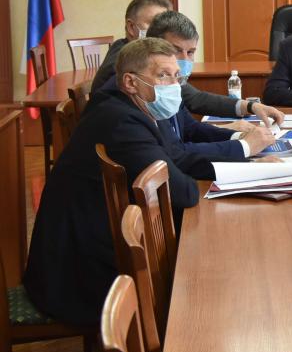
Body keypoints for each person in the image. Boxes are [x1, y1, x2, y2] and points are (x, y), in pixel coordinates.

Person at [23, 39, 215, 326]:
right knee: (202, 265)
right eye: (163, 76)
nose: (174, 85)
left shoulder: (138, 107)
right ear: (130, 82)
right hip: (75, 273)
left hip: (92, 243)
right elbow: (183, 192)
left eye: (177, 76)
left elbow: (177, 160)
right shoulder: (122, 121)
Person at [90, 0, 282, 127]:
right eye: (154, 22)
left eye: (190, 52)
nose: (182, 58)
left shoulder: (160, 69)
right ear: (132, 28)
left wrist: (249, 107)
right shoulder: (125, 66)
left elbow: (192, 102)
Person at [146, 11, 276, 160]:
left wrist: (239, 137)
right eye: (176, 51)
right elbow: (176, 152)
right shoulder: (149, 92)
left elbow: (191, 129)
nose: (184, 59)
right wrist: (245, 146)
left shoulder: (175, 85)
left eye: (190, 52)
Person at [90, 0, 172, 95]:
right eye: (154, 24)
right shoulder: (123, 65)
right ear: (131, 27)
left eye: (164, 26)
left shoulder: (131, 51)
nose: (161, 31)